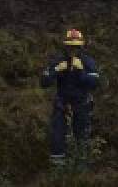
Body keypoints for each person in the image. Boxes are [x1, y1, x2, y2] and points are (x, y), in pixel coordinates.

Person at [40, 28, 100, 168]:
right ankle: (58, 172)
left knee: (81, 137)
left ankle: (81, 171)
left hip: (81, 105)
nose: (73, 50)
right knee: (57, 137)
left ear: (81, 47)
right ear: (65, 46)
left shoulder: (88, 62)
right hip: (62, 105)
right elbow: (43, 82)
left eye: (76, 47)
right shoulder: (58, 61)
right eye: (70, 47)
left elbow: (96, 84)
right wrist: (55, 71)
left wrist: (81, 73)